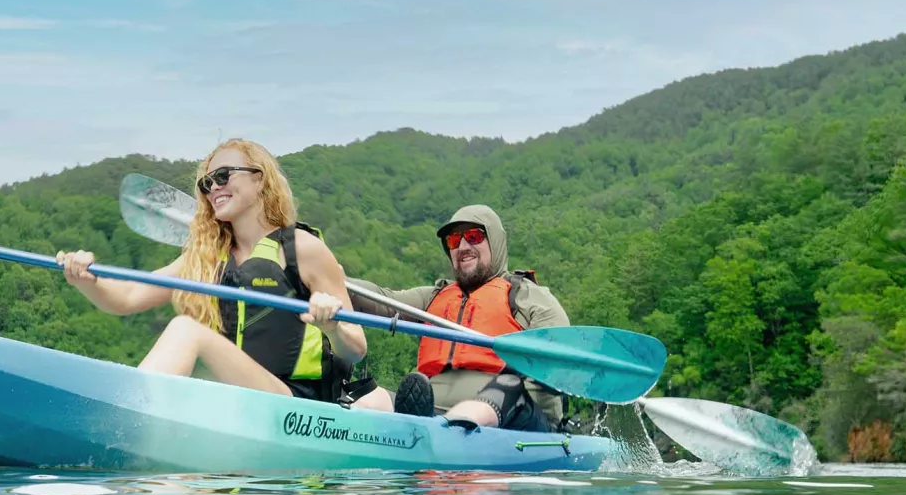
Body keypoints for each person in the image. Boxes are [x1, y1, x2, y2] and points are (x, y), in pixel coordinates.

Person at [57, 139, 368, 400]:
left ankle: (128, 414)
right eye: (206, 184)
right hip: (234, 397)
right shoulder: (207, 256)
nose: (213, 188)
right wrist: (85, 279)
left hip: (295, 404)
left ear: (259, 179)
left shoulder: (303, 249)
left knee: (186, 330)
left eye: (223, 176)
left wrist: (332, 327)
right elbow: (127, 297)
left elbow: (356, 348)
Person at [348, 205, 568, 431]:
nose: (463, 247)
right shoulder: (434, 297)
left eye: (474, 237)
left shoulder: (525, 295)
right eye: (454, 241)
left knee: (508, 384)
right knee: (374, 399)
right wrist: (327, 279)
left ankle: (446, 427)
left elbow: (561, 354)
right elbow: (380, 299)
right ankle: (356, 430)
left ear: (496, 242)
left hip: (514, 416)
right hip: (435, 411)